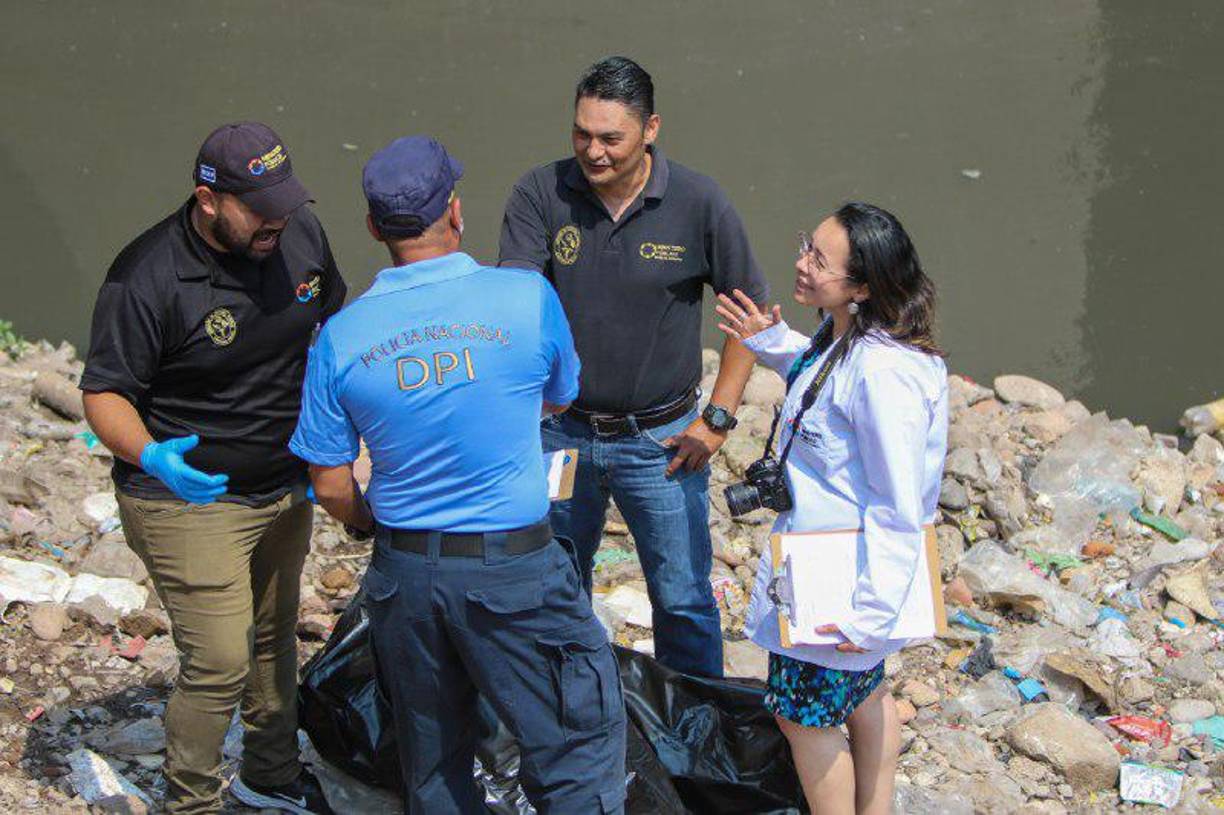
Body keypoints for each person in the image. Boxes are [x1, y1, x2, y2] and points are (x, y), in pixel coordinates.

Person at [290, 135, 627, 814]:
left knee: (434, 763)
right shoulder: (525, 297)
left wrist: (365, 521)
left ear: (374, 228)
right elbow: (557, 396)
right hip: (514, 571)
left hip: (406, 576)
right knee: (574, 746)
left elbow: (328, 483)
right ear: (457, 210)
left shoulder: (342, 338)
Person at [79, 122, 345, 815]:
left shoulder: (300, 237)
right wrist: (150, 454)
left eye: (284, 203)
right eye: (259, 208)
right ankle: (190, 802)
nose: (276, 221)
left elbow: (334, 324)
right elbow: (104, 392)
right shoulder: (148, 276)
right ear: (208, 199)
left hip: (283, 483)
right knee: (221, 659)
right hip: (185, 498)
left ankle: (271, 774)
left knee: (272, 636)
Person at [498, 56, 768, 677]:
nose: (593, 152)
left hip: (663, 443)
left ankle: (696, 729)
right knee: (554, 590)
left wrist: (718, 420)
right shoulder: (541, 194)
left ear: (650, 130)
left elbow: (749, 323)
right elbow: (515, 308)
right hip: (559, 436)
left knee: (682, 598)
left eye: (610, 138)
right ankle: (567, 720)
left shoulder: (700, 203)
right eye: (582, 134)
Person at [715, 202, 948, 815]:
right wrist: (768, 343)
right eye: (806, 245)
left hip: (841, 586)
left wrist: (871, 615)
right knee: (865, 699)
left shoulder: (883, 374)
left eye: (819, 259)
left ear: (865, 285)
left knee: (805, 723)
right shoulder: (849, 337)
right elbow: (821, 378)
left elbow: (900, 506)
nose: (801, 263)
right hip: (842, 569)